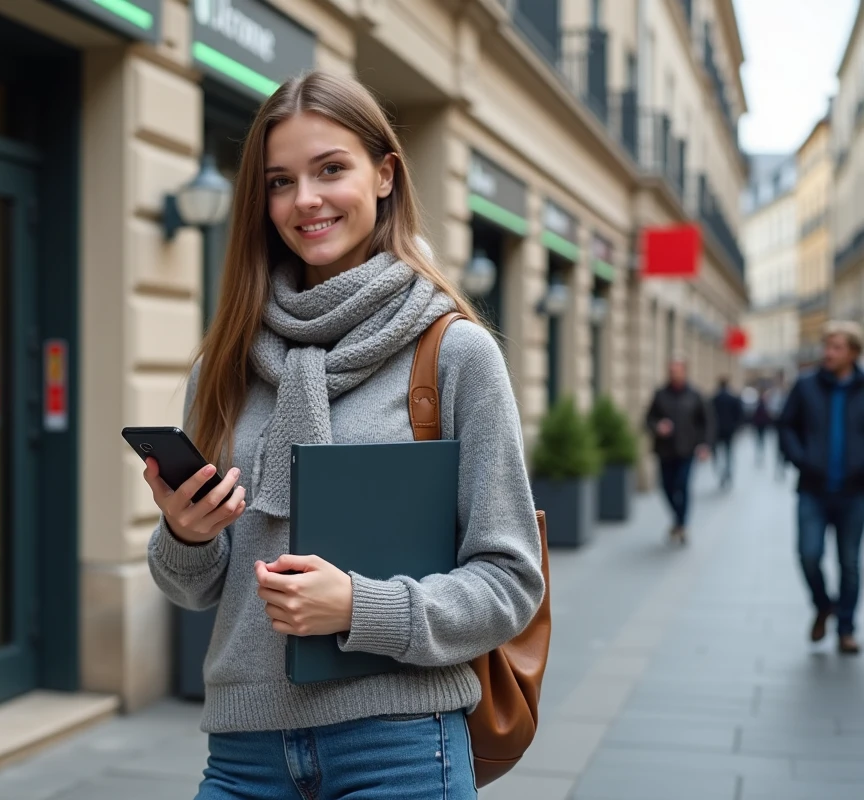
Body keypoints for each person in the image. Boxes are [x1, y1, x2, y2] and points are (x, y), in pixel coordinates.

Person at [142, 71, 545, 799]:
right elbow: (192, 589)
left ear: (385, 174)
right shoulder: (225, 362)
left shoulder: (454, 354)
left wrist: (362, 608)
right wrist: (188, 535)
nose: (306, 201)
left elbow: (511, 582)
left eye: (331, 169)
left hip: (400, 745)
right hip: (242, 753)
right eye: (280, 181)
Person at [777, 321, 864, 655]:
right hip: (812, 488)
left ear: (854, 352)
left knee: (850, 564)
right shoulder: (806, 386)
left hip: (854, 492)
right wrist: (801, 458)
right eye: (826, 345)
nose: (828, 352)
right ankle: (823, 604)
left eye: (837, 346)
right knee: (808, 555)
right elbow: (786, 426)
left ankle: (846, 629)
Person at [645, 358, 712, 543]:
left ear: (684, 372)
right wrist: (658, 426)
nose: (674, 374)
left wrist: (705, 445)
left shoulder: (695, 395)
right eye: (671, 371)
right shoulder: (660, 395)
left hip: (687, 450)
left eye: (677, 371)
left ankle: (682, 524)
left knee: (682, 485)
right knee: (666, 487)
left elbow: (706, 422)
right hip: (665, 450)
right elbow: (648, 419)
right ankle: (678, 520)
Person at [710, 377, 743, 489]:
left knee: (718, 454)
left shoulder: (714, 398)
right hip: (729, 430)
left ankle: (722, 474)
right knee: (728, 454)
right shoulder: (733, 398)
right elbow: (739, 415)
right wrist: (736, 427)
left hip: (717, 431)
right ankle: (728, 473)